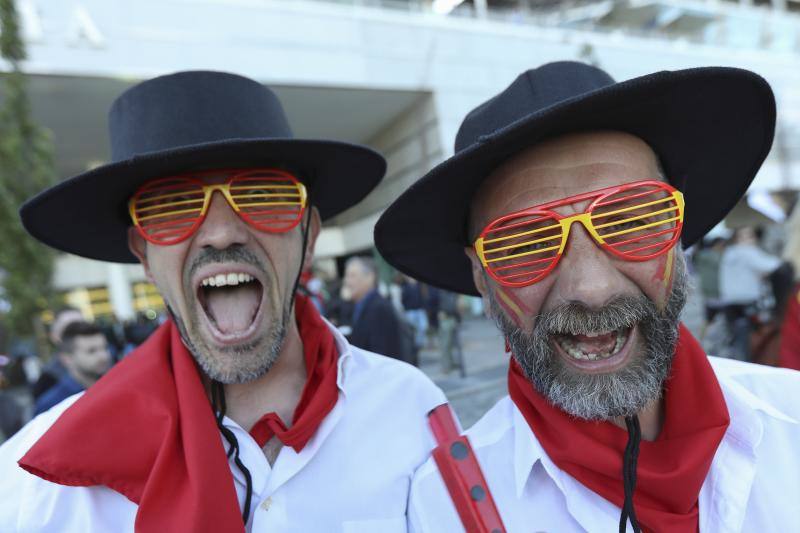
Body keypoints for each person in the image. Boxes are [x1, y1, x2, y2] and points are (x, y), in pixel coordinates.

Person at [0, 71, 446, 532]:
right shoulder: (41, 482)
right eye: (172, 206)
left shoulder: (411, 408)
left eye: (262, 195)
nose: (220, 233)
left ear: (308, 236)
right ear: (145, 257)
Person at [375, 61, 800, 532]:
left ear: (676, 234)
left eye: (630, 220)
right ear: (481, 277)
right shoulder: (443, 505)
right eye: (524, 245)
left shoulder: (792, 419)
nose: (591, 289)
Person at [719, 226, 784, 360]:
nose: (748, 239)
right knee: (749, 340)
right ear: (737, 238)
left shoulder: (729, 252)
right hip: (747, 301)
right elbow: (772, 265)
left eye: (750, 236)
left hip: (729, 301)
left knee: (735, 336)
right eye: (745, 236)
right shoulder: (748, 251)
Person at [33, 322, 112, 416]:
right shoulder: (52, 404)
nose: (103, 356)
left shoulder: (114, 387)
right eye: (91, 351)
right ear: (67, 359)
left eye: (105, 348)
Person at [342, 256, 405, 361]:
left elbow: (381, 355)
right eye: (346, 276)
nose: (347, 281)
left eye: (352, 275)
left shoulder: (379, 308)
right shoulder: (359, 305)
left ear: (370, 277)